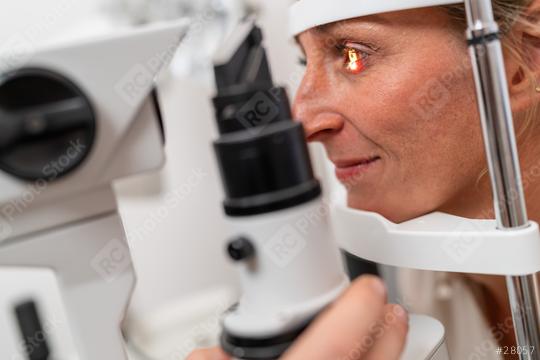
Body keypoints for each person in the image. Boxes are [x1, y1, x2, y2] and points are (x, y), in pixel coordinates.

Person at [190, 1, 540, 358]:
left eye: (353, 55)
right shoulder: (421, 274)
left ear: (523, 59)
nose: (305, 122)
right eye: (303, 62)